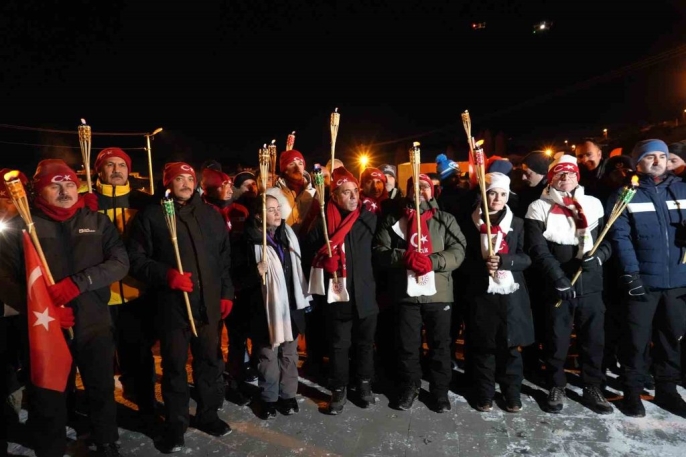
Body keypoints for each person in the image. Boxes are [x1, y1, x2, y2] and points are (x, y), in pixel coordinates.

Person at [0, 159, 129, 457]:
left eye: (70, 184)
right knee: (49, 391)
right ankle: (51, 446)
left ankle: (106, 440)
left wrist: (79, 283)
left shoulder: (96, 221)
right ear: (39, 191)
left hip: (94, 321)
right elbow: (5, 279)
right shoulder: (21, 226)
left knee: (100, 386)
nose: (64, 191)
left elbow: (120, 262)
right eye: (54, 186)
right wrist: (42, 310)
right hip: (45, 326)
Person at [127, 162, 234, 453]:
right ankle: (176, 424)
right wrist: (167, 275)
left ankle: (208, 414)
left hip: (208, 305)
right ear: (168, 183)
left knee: (209, 361)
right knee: (174, 366)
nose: (185, 183)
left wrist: (226, 293)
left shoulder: (210, 215)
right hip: (172, 307)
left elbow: (224, 260)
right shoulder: (152, 216)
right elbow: (135, 259)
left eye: (189, 178)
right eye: (179, 179)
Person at [525, 153, 613, 415]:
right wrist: (558, 279)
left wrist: (599, 257)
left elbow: (608, 239)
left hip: (591, 285)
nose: (566, 177)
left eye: (571, 172)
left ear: (577, 176)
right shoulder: (538, 207)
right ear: (551, 178)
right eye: (560, 173)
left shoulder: (593, 204)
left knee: (593, 339)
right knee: (556, 338)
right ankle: (556, 384)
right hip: (558, 285)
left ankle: (592, 386)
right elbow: (538, 249)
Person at [374, 173, 466, 413]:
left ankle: (439, 392)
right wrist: (404, 257)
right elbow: (380, 250)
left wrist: (433, 261)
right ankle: (410, 386)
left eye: (424, 186)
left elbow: (458, 250)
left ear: (432, 191)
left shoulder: (444, 219)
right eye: (414, 186)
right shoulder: (394, 219)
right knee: (407, 345)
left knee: (440, 345)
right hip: (406, 294)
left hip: (438, 293)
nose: (419, 191)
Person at [608, 139, 686, 418]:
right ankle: (632, 392)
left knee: (671, 339)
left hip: (678, 281)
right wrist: (631, 274)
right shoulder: (626, 194)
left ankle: (667, 391)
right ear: (637, 162)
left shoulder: (682, 190)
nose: (657, 161)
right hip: (643, 281)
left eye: (662, 156)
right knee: (636, 340)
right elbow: (620, 237)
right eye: (650, 157)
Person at [304, 166, 378, 415]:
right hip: (338, 295)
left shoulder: (367, 218)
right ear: (335, 196)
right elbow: (310, 252)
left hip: (365, 294)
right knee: (339, 345)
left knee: (365, 344)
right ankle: (338, 389)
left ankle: (364, 385)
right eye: (346, 192)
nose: (354, 196)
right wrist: (325, 261)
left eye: (355, 190)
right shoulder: (323, 222)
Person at [459, 172, 533, 412]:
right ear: (483, 194)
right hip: (481, 294)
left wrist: (505, 261)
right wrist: (481, 266)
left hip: (510, 295)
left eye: (503, 194)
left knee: (510, 348)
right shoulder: (469, 223)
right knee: (484, 347)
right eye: (492, 193)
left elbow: (526, 258)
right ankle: (485, 394)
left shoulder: (517, 223)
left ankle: (512, 394)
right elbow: (463, 258)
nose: (498, 199)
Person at [232, 194, 310, 419]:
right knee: (267, 356)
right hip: (264, 310)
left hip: (290, 306)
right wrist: (254, 272)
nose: (277, 213)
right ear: (258, 215)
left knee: (289, 354)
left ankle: (288, 395)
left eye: (278, 208)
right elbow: (236, 279)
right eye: (271, 209)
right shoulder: (247, 241)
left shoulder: (287, 234)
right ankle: (268, 397)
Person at [92, 147, 157, 418]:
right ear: (99, 170)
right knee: (100, 359)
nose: (116, 170)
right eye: (110, 165)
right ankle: (104, 415)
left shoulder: (143, 202)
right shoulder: (88, 203)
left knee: (139, 354)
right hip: (99, 296)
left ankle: (146, 405)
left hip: (135, 293)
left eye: (121, 165)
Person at [267, 150, 316, 235]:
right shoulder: (271, 194)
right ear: (285, 169)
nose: (297, 168)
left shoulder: (314, 194)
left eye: (300, 163)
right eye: (292, 164)